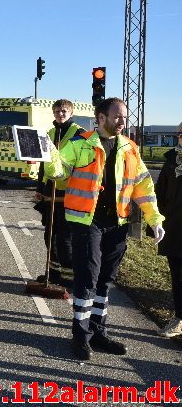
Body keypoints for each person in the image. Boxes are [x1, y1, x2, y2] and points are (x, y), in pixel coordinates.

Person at [44, 98, 165, 360]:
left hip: (117, 224)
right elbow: (60, 170)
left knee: (105, 281)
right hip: (87, 222)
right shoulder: (80, 143)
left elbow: (143, 186)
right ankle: (81, 336)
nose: (122, 122)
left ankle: (98, 332)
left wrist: (154, 219)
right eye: (117, 117)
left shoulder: (129, 148)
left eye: (124, 117)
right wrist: (43, 159)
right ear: (101, 117)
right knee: (87, 278)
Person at [34, 99, 85, 288]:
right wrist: (40, 188)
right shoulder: (49, 133)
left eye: (63, 111)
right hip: (50, 191)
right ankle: (53, 273)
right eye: (56, 111)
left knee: (64, 239)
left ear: (71, 113)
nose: (60, 114)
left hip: (69, 192)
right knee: (50, 235)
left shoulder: (79, 134)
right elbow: (43, 162)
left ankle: (70, 278)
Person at [154, 122, 182, 338]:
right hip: (174, 226)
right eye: (181, 133)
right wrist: (155, 223)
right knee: (178, 276)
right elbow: (160, 192)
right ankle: (179, 318)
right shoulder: (171, 161)